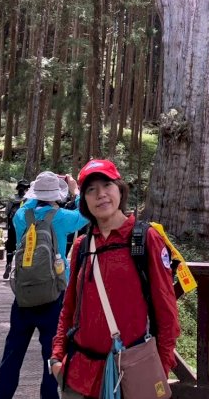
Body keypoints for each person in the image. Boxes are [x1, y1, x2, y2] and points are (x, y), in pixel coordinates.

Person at [50, 159, 180, 398]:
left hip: (131, 375)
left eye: (106, 185)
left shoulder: (145, 238)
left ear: (120, 189)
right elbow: (69, 306)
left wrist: (158, 369)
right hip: (79, 376)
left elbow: (166, 312)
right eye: (91, 189)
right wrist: (57, 356)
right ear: (85, 201)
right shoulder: (82, 245)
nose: (100, 194)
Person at [0, 171, 88, 399]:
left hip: (24, 294)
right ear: (57, 194)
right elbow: (86, 215)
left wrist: (39, 187)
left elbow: (30, 205)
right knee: (52, 354)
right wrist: (75, 190)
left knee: (12, 354)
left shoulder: (20, 215)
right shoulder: (62, 216)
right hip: (54, 294)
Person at [3, 179, 31, 280]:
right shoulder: (29, 199)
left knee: (10, 245)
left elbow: (6, 212)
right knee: (24, 245)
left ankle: (8, 264)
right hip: (25, 225)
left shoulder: (12, 199)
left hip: (12, 224)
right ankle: (20, 269)